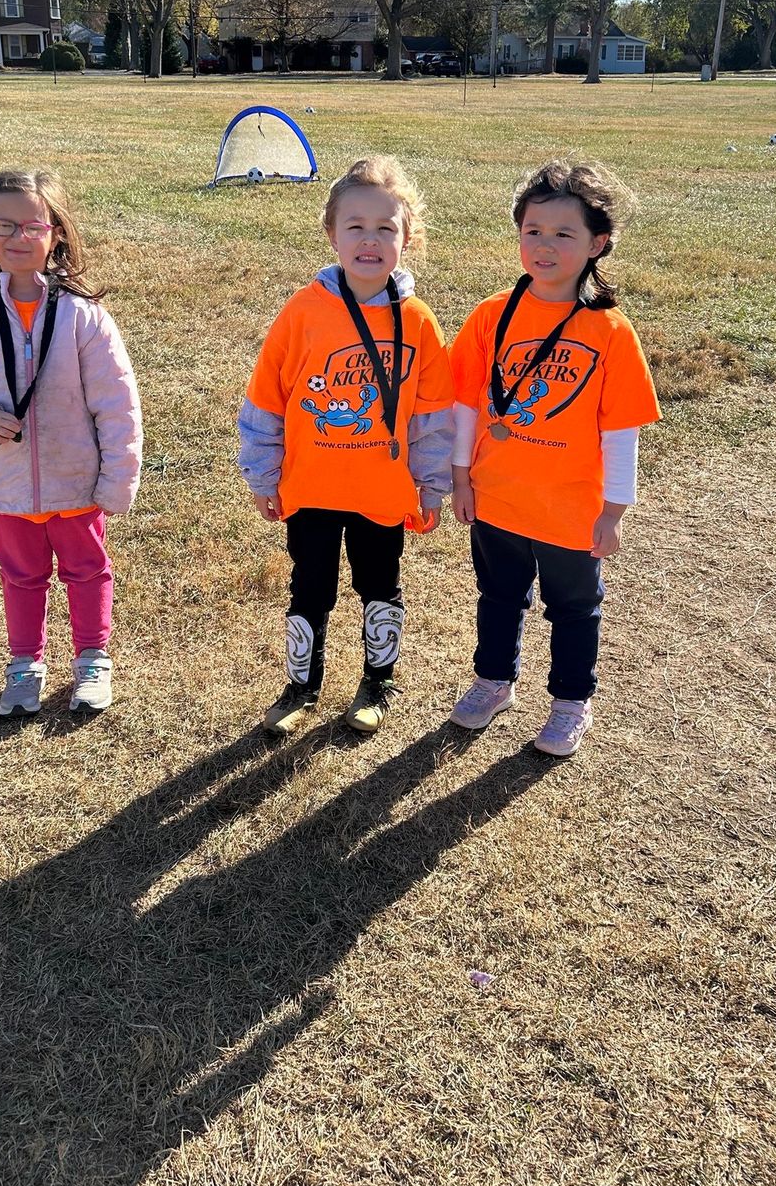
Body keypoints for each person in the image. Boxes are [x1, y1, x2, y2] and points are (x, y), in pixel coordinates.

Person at [448, 159, 661, 758]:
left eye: (564, 235)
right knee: (498, 596)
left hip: (571, 509)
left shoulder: (610, 332)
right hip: (497, 498)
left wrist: (613, 510)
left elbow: (622, 431)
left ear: (597, 244)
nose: (544, 246)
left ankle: (571, 700)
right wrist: (460, 477)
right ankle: (494, 680)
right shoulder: (492, 315)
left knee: (572, 608)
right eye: (532, 232)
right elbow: (466, 403)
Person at [238, 155, 453, 738]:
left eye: (386, 228)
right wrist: (264, 475)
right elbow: (267, 399)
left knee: (380, 585)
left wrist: (432, 484)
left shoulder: (420, 322)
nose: (370, 240)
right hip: (310, 487)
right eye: (355, 226)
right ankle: (301, 686)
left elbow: (433, 418)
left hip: (381, 491)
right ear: (331, 233)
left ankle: (378, 681)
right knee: (310, 586)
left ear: (407, 238)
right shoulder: (304, 312)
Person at [0, 169, 143, 718]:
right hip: (6, 486)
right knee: (21, 577)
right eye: (4, 224)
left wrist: (117, 479)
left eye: (32, 226)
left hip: (76, 482)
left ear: (56, 234)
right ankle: (25, 663)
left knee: (87, 571)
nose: (18, 237)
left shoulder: (83, 316)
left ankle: (93, 659)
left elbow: (116, 403)